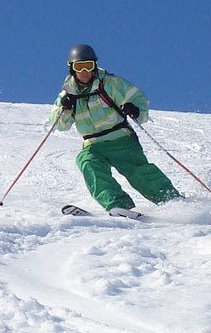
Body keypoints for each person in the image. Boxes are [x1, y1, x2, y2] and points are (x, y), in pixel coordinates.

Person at [50, 43, 181, 214]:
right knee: (88, 163)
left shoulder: (110, 83)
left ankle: (172, 201)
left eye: (88, 66)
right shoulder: (67, 95)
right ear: (72, 69)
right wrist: (64, 108)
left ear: (94, 66)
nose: (84, 72)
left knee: (139, 173)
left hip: (120, 138)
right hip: (92, 144)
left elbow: (138, 99)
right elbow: (59, 125)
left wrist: (134, 109)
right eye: (79, 67)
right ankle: (118, 206)